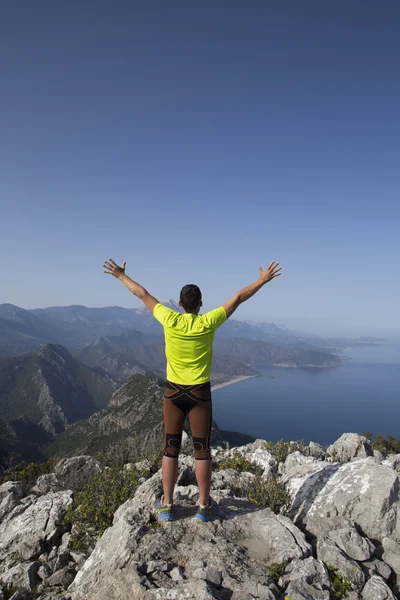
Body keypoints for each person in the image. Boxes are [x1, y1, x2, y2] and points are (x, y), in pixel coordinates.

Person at [103, 258, 282, 522]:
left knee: (170, 448)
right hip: (199, 395)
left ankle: (166, 504)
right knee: (202, 450)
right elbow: (239, 297)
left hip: (173, 394)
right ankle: (204, 506)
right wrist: (262, 280)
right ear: (200, 304)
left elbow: (141, 293)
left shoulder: (169, 318)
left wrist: (119, 275)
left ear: (179, 303)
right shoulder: (208, 322)